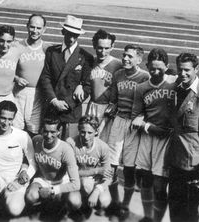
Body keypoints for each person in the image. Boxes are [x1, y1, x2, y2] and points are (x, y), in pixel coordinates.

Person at [168, 53, 199, 222]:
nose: (183, 73)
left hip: (193, 163)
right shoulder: (177, 88)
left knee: (190, 211)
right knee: (174, 206)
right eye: (180, 69)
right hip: (175, 159)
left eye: (187, 70)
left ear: (197, 69)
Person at [104, 44, 150, 219]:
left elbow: (149, 103)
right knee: (112, 165)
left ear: (139, 59)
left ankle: (125, 203)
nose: (125, 59)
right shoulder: (118, 75)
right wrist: (109, 110)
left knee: (129, 168)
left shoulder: (144, 77)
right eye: (124, 55)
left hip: (134, 126)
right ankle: (115, 201)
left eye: (130, 56)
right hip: (118, 122)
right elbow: (113, 100)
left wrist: (142, 116)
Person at [131, 48, 177, 222]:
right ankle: (148, 217)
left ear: (167, 66)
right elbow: (136, 115)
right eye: (152, 68)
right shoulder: (142, 88)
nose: (156, 72)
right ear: (147, 65)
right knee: (145, 182)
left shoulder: (175, 82)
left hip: (166, 140)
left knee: (160, 185)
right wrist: (142, 120)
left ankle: (156, 219)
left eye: (160, 68)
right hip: (148, 137)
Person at [39, 15, 93, 140]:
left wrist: (69, 103)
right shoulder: (52, 52)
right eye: (69, 34)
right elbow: (45, 78)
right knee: (49, 144)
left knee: (69, 146)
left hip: (71, 111)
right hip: (53, 108)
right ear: (63, 32)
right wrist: (54, 100)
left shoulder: (86, 57)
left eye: (75, 35)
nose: (71, 38)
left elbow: (87, 86)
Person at [25, 115, 82, 221]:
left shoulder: (66, 149)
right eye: (45, 131)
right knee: (30, 196)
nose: (48, 135)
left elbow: (76, 184)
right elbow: (29, 161)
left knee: (75, 201)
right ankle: (39, 210)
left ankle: (65, 209)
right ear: (41, 130)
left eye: (53, 132)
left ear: (59, 131)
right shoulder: (36, 140)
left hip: (61, 181)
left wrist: (52, 191)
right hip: (43, 180)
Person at [66, 115, 113, 216]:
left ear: (96, 132)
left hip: (95, 181)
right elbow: (70, 172)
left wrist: (97, 191)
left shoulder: (102, 146)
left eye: (90, 132)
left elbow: (109, 177)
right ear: (79, 130)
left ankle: (91, 201)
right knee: (74, 202)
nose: (86, 136)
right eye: (83, 132)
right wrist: (96, 171)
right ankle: (82, 204)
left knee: (105, 201)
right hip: (77, 181)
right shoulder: (71, 143)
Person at [13, 14, 50, 136]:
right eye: (32, 27)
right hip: (18, 93)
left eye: (39, 28)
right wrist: (16, 78)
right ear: (27, 26)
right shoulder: (17, 46)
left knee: (34, 130)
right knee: (16, 129)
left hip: (38, 95)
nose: (35, 31)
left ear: (44, 29)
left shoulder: (47, 48)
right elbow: (6, 67)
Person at [83, 29, 122, 138]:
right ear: (94, 45)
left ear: (112, 47)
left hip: (108, 109)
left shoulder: (118, 65)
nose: (103, 52)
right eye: (100, 48)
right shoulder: (91, 62)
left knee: (104, 141)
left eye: (106, 48)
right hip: (92, 106)